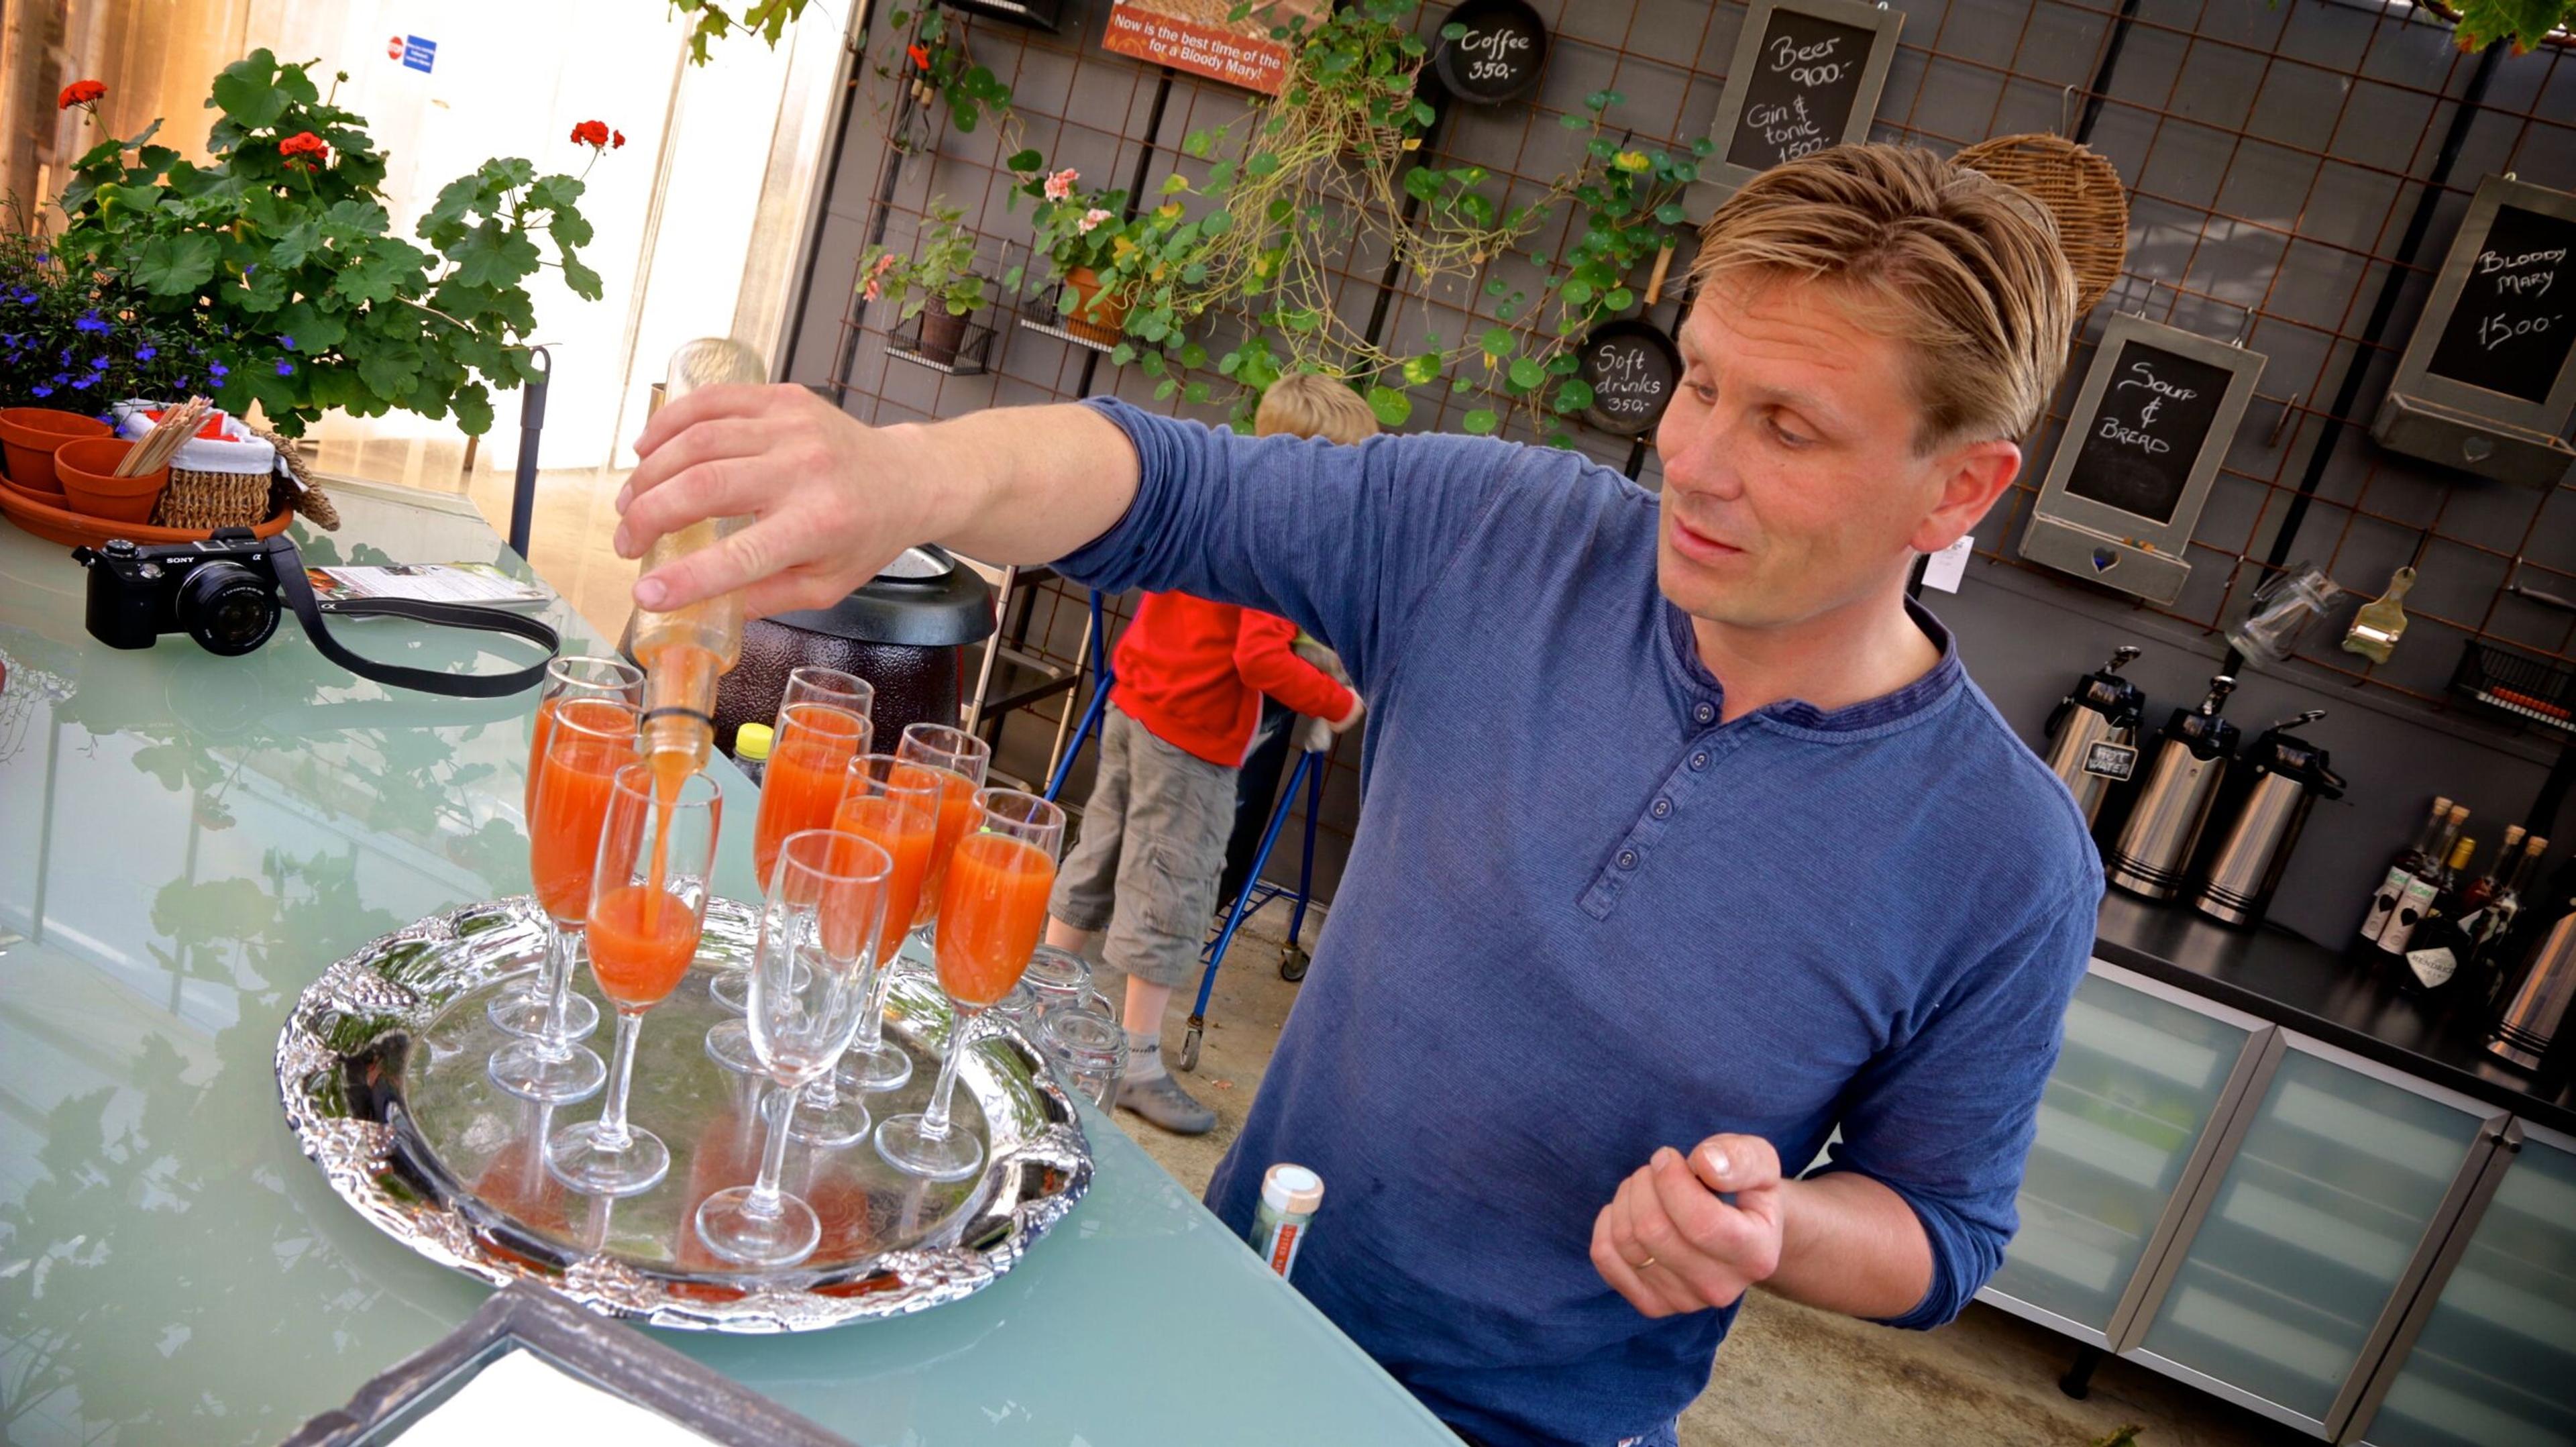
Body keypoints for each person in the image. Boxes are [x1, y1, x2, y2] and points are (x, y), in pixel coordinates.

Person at [614, 145, 2102, 1446]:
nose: (1696, 461)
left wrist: (1775, 1227)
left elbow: (1941, 1227)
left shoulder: (2003, 856)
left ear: (1959, 489)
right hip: (1229, 1311)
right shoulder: (1507, 537)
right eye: (1703, 382)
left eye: (1789, 427)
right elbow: (1170, 479)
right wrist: (905, 474)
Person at [1040, 372, 1371, 1135]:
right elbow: (1260, 658)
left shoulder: (1216, 503)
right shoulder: (1281, 544)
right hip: (1191, 743)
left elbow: (1217, 627)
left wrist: (1303, 657)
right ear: (1316, 469)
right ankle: (1136, 1061)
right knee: (1171, 889)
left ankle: (1046, 1000)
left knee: (1101, 853)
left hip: (1134, 706)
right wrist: (1340, 702)